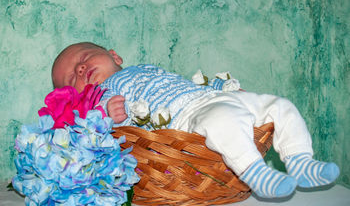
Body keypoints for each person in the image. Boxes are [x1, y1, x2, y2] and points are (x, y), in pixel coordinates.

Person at [52, 42, 340, 199]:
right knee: (224, 122)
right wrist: (106, 115)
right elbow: (103, 132)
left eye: (86, 57)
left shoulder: (145, 67)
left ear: (114, 55)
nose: (81, 68)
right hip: (186, 116)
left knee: (278, 105)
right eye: (71, 78)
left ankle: (300, 160)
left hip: (205, 97)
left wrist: (219, 88)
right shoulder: (104, 95)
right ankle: (255, 172)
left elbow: (179, 83)